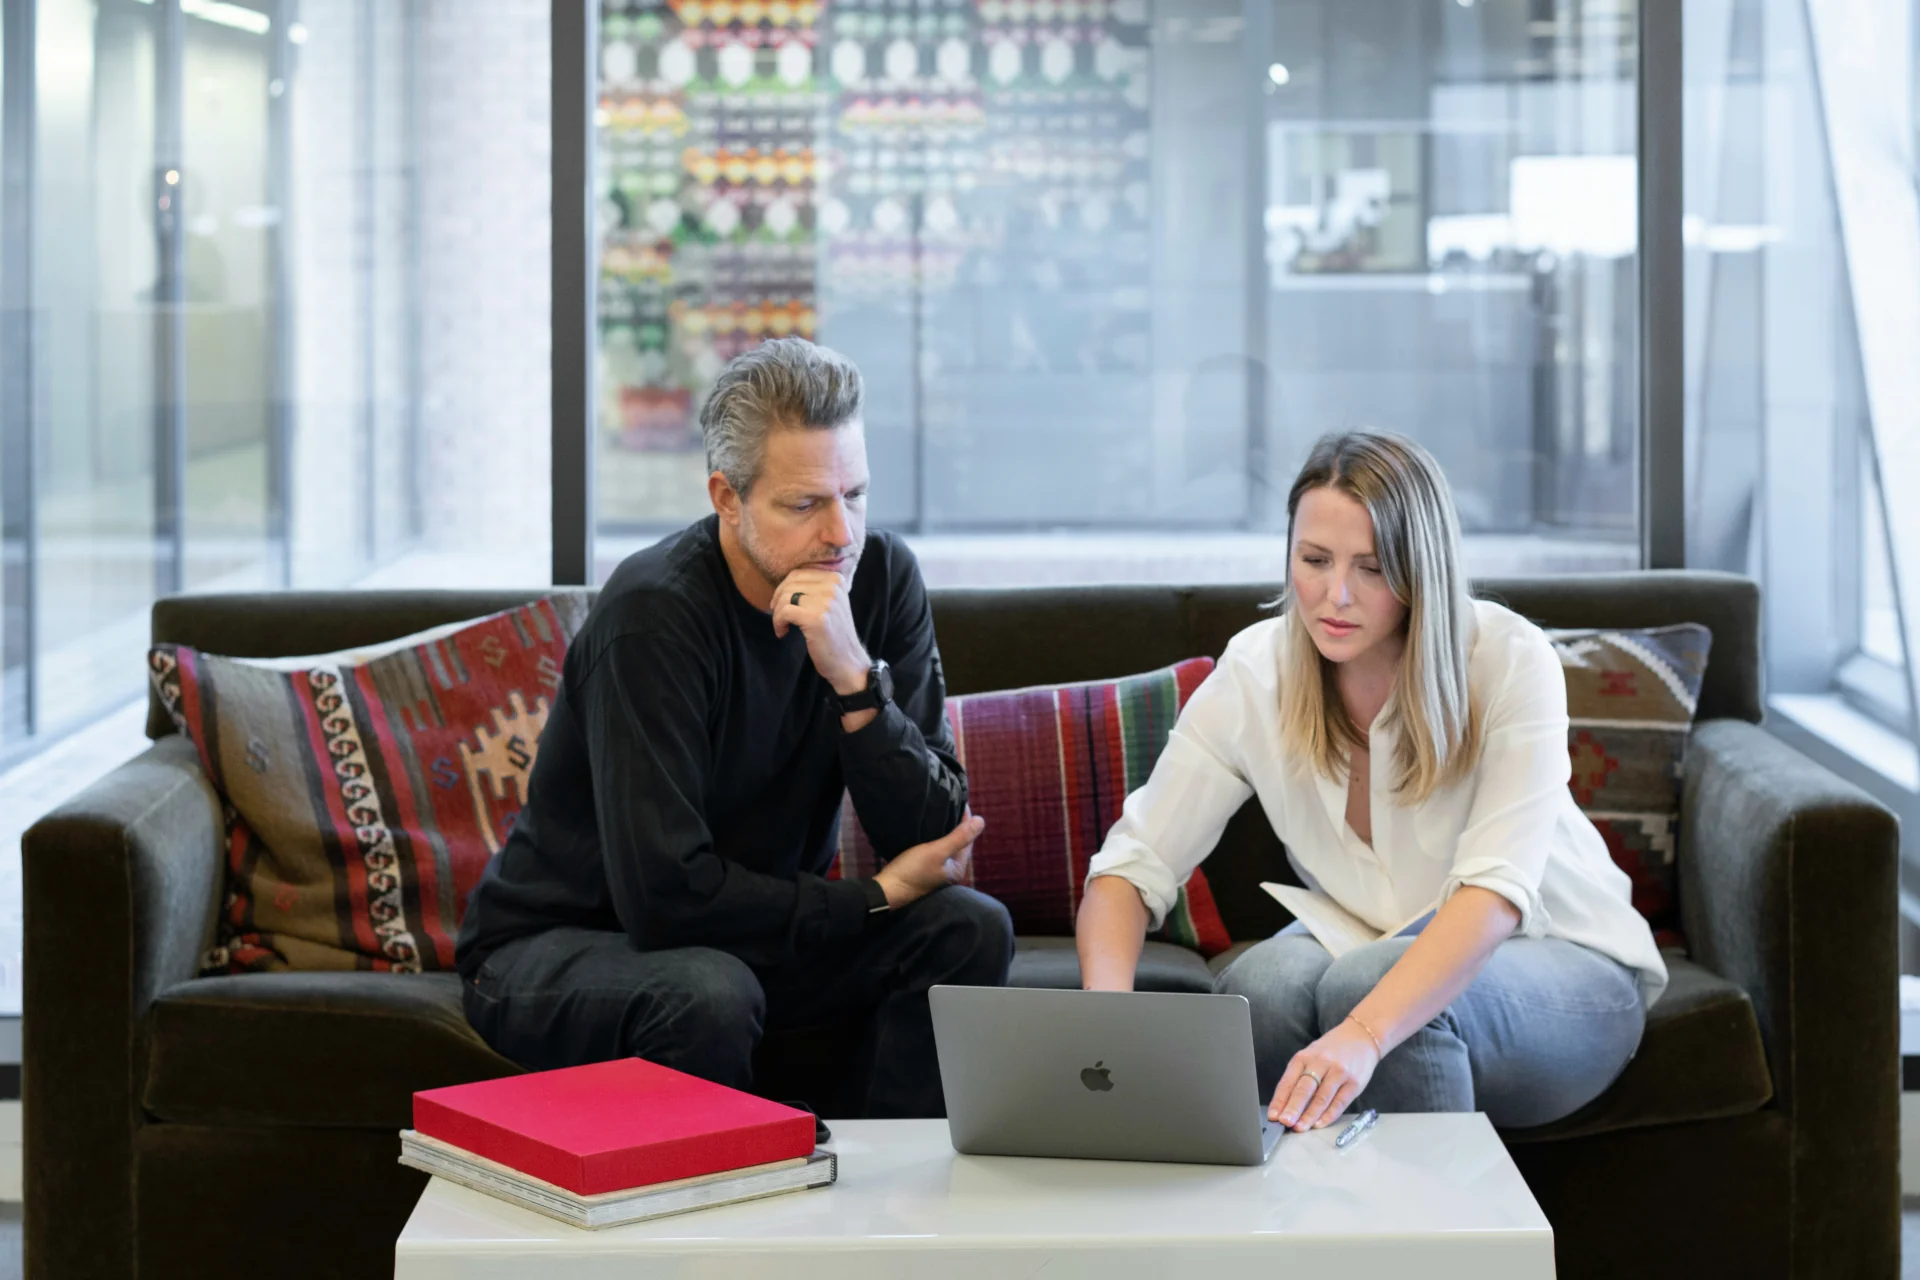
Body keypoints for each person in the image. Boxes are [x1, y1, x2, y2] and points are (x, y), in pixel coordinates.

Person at [456, 337, 1013, 1118]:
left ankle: (879, 1206)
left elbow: (932, 830)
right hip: (561, 945)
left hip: (746, 939)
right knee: (708, 993)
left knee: (969, 931)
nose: (841, 533)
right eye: (805, 504)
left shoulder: (879, 578)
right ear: (727, 497)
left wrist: (854, 682)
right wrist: (872, 899)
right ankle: (732, 1231)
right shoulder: (654, 616)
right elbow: (664, 898)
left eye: (854, 494)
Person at [1074, 431, 1666, 1134]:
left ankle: (1437, 1243)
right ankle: (1281, 1236)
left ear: (1421, 572)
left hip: (1567, 959)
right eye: (1314, 560)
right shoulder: (1256, 671)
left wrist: (1363, 1034)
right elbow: (1130, 869)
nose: (1336, 596)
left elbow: (1496, 894)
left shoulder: (1508, 659)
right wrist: (1104, 1027)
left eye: (1373, 568)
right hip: (1369, 937)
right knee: (1260, 988)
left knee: (1372, 983)